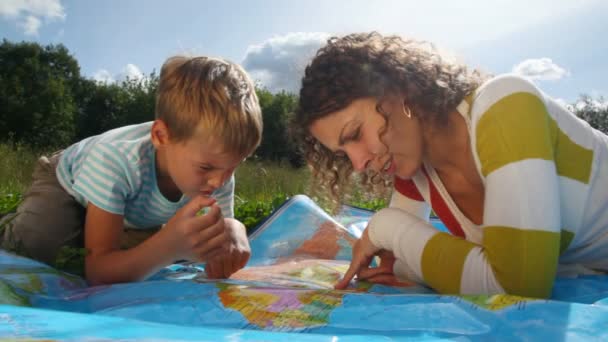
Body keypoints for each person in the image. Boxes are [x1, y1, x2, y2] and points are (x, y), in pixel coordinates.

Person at [291, 32, 608, 298]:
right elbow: (400, 261)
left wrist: (383, 227)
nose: (359, 164)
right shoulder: (414, 172)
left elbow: (517, 288)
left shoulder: (506, 105)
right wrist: (399, 249)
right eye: (344, 154)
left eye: (355, 134)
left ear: (399, 90)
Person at [0, 56, 263, 285]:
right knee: (33, 246)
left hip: (129, 209)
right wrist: (168, 246)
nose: (219, 181)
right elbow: (98, 273)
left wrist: (233, 229)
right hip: (66, 184)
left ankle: (91, 230)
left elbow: (218, 240)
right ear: (161, 136)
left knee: (140, 257)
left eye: (233, 167)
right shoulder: (116, 159)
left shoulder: (217, 168)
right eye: (206, 167)